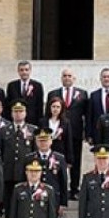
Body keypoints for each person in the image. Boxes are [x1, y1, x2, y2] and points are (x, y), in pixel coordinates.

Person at [23, 128, 69, 218]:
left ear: (51, 141)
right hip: (34, 200)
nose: (43, 143)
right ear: (36, 142)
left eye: (46, 140)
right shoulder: (30, 158)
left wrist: (63, 203)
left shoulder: (59, 158)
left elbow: (63, 182)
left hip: (52, 201)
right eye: (40, 141)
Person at [47, 69, 87, 197]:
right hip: (56, 134)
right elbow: (47, 113)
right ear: (61, 78)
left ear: (74, 78)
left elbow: (86, 114)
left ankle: (74, 189)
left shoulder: (82, 94)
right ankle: (56, 187)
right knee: (55, 160)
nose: (67, 78)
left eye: (69, 76)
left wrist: (86, 132)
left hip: (75, 133)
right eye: (64, 76)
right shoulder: (53, 93)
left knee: (75, 161)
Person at [7, 60, 45, 126]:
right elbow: (8, 106)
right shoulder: (12, 86)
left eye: (26, 70)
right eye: (21, 70)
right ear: (18, 71)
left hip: (32, 122)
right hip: (15, 122)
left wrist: (39, 124)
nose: (24, 72)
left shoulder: (37, 86)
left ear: (30, 71)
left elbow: (39, 107)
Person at [88, 67, 109, 145]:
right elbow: (89, 116)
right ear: (100, 79)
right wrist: (89, 135)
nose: (106, 79)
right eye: (104, 77)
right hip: (98, 134)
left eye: (108, 77)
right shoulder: (94, 95)